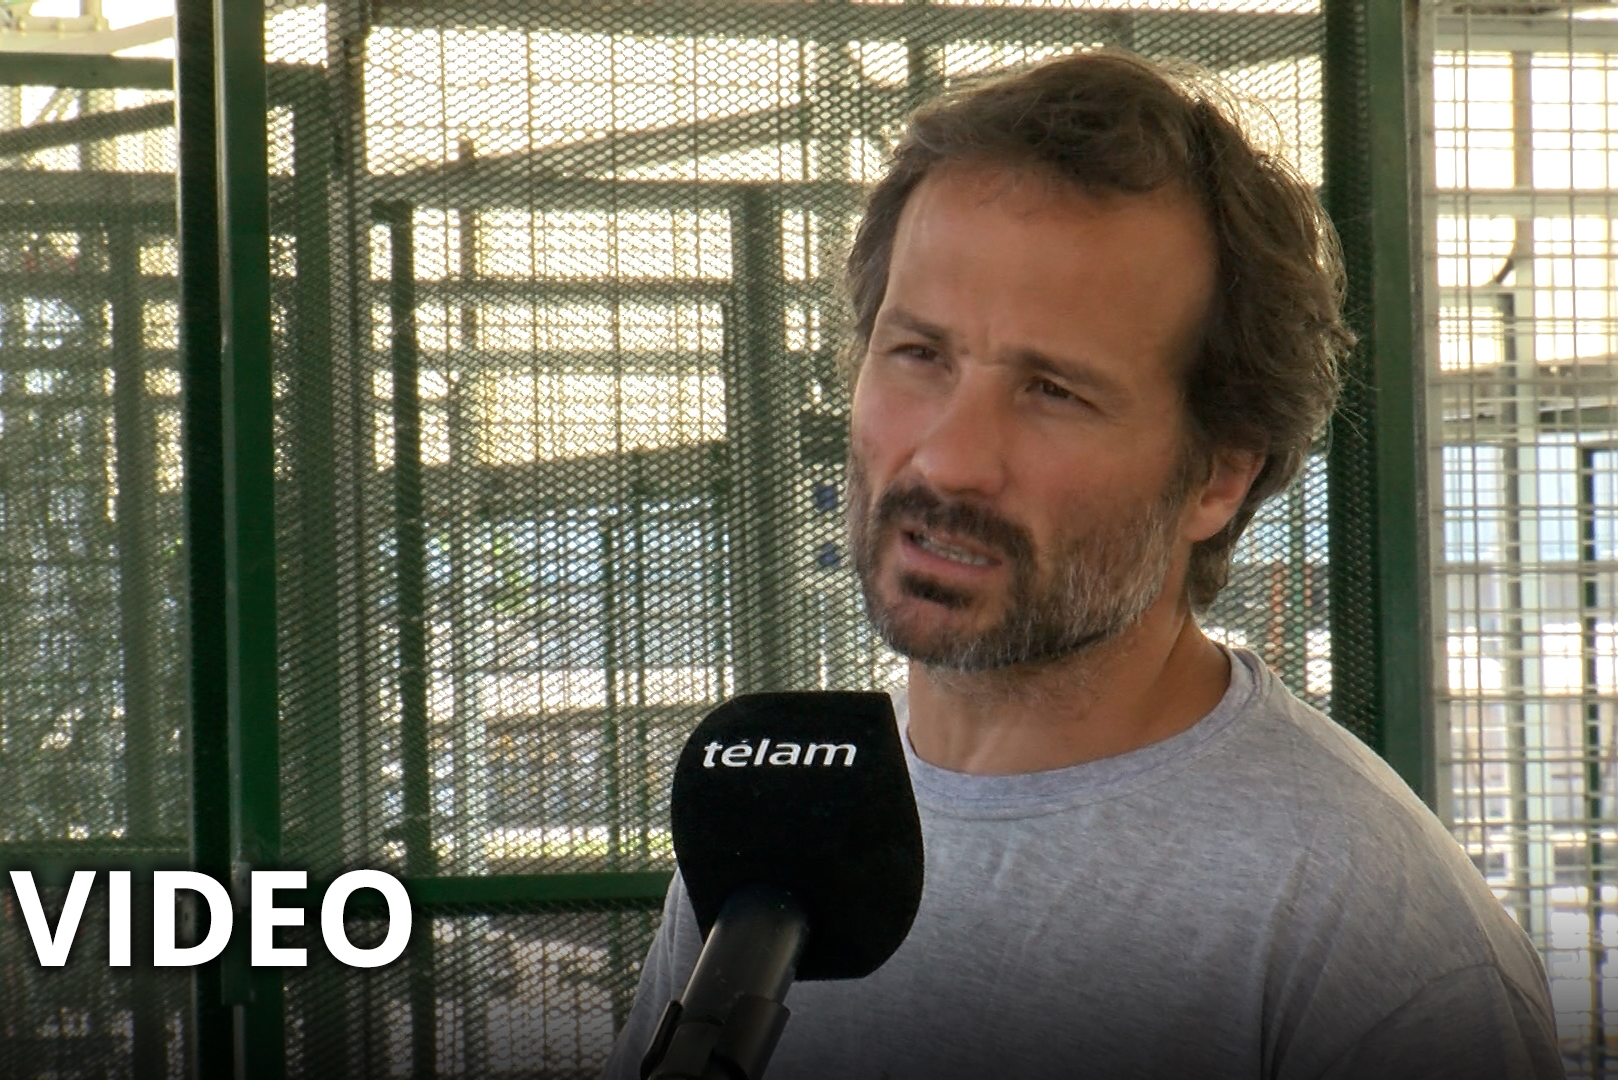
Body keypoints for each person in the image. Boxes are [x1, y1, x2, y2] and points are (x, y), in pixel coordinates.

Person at [604, 48, 1566, 1079]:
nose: (949, 460)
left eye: (1053, 391)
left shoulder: (1368, 936)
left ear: (1220, 475)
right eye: (919, 354)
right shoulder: (778, 833)